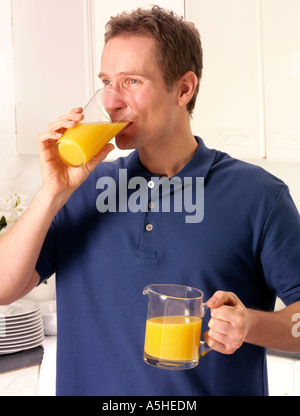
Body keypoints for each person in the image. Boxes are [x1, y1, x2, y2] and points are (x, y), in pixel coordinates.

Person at [0, 6, 299, 396]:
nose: (111, 101)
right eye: (106, 81)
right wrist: (52, 192)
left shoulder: (259, 196)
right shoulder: (81, 190)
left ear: (184, 89)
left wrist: (252, 325)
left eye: (132, 81)